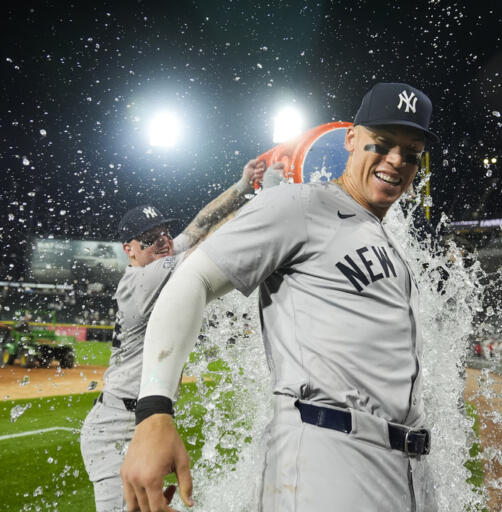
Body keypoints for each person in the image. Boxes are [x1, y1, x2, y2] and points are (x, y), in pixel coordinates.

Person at [120, 82, 440, 512]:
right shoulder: (301, 204)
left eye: (412, 152)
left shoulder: (384, 239)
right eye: (381, 144)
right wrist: (155, 412)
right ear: (349, 139)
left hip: (405, 468)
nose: (396, 160)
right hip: (329, 457)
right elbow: (189, 281)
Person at [79, 158, 271, 512]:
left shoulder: (159, 258)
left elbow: (199, 225)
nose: (164, 240)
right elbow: (209, 246)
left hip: (140, 420)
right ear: (130, 250)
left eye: (165, 231)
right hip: (113, 431)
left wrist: (243, 186)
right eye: (150, 238)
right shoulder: (142, 279)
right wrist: (267, 204)